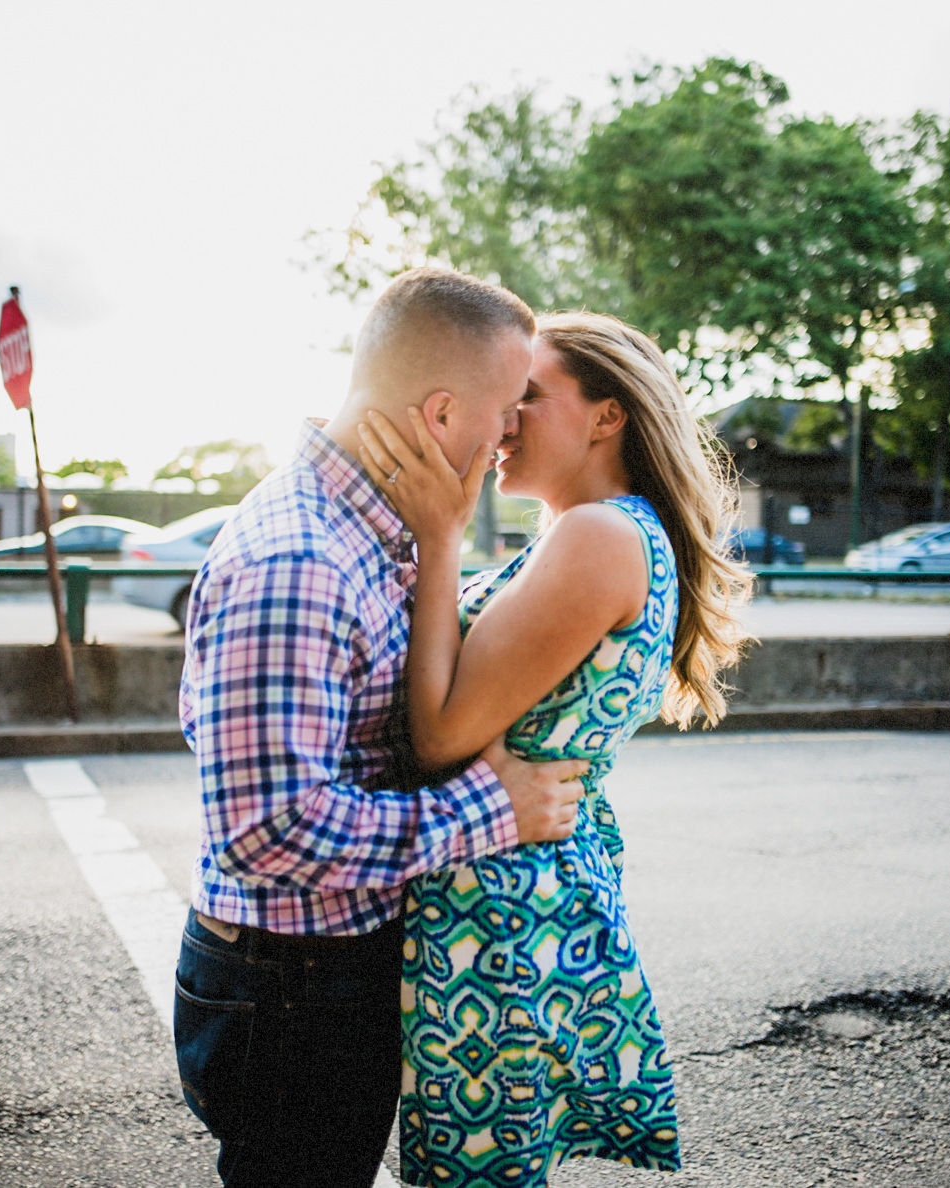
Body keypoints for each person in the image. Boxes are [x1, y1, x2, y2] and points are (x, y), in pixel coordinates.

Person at [172, 268, 592, 1187]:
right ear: (442, 415)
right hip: (293, 988)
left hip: (315, 973)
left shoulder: (372, 533)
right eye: (505, 411)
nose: (508, 436)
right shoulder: (301, 558)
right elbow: (269, 831)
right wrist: (496, 810)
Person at [355, 310, 753, 1185]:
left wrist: (440, 535)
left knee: (470, 1173)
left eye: (528, 397)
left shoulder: (599, 536)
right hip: (518, 883)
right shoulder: (604, 531)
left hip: (496, 909)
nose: (503, 420)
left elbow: (440, 733)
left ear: (607, 416)